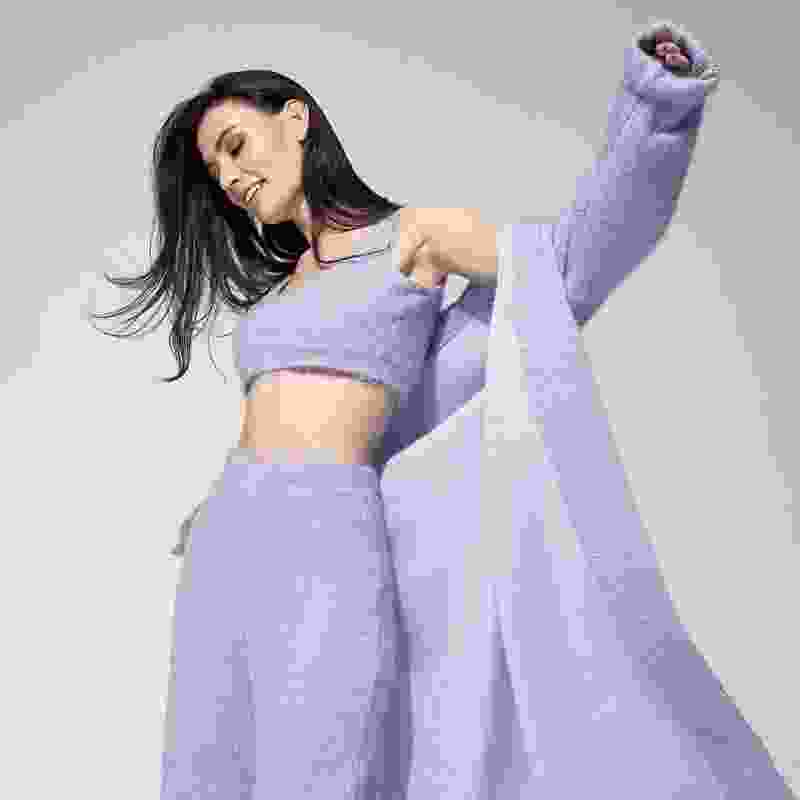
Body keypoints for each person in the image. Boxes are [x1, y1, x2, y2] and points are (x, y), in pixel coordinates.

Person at [87, 17, 796, 800]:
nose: (229, 176)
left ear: (295, 118)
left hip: (327, 530)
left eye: (234, 144)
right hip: (229, 540)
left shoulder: (411, 237)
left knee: (322, 770)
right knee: (205, 773)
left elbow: (564, 264)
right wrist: (216, 508)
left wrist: (654, 107)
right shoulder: (283, 288)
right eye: (214, 169)